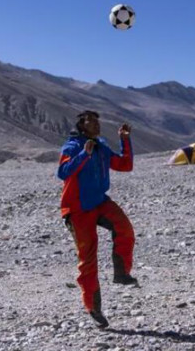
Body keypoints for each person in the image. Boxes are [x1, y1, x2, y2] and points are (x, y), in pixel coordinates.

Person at [57, 110, 137, 329]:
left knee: (125, 229)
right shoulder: (72, 146)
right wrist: (83, 155)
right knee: (88, 258)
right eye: (91, 122)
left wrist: (125, 140)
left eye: (97, 122)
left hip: (99, 201)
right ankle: (93, 307)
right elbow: (63, 172)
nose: (96, 125)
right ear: (82, 125)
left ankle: (121, 273)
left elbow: (124, 165)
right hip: (77, 208)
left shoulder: (100, 146)